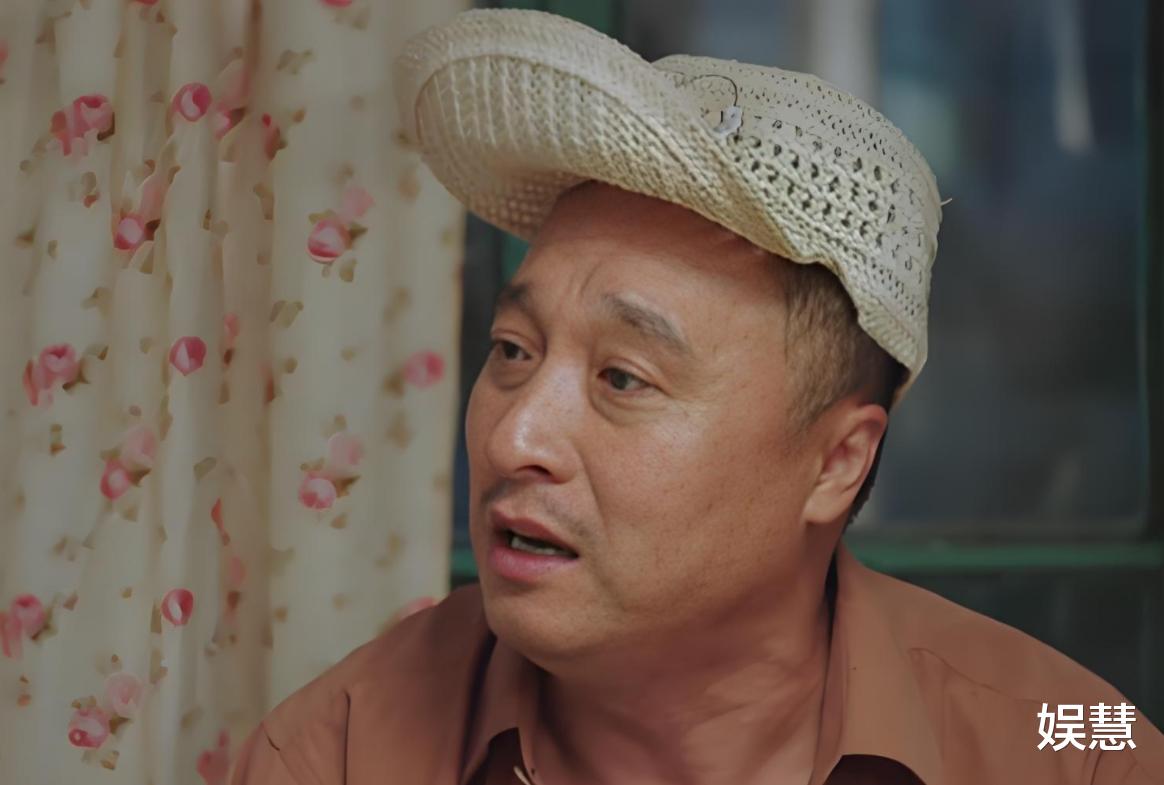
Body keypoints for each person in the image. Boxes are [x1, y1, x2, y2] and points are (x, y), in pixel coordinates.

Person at [231, 8, 1164, 785]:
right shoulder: (340, 751)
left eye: (623, 378)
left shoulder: (1068, 752)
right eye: (512, 350)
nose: (516, 436)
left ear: (837, 462)